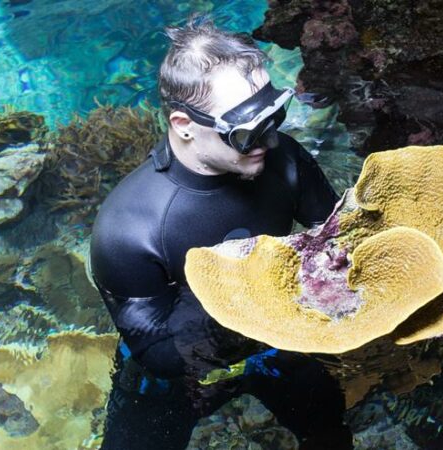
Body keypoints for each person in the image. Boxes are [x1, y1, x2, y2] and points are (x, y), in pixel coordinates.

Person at [90, 19, 354, 450]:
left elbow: (338, 234)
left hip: (273, 345)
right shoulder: (127, 230)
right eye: (246, 133)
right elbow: (159, 356)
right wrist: (262, 291)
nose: (269, 142)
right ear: (183, 124)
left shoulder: (285, 160)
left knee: (330, 431)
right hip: (178, 379)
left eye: (275, 116)